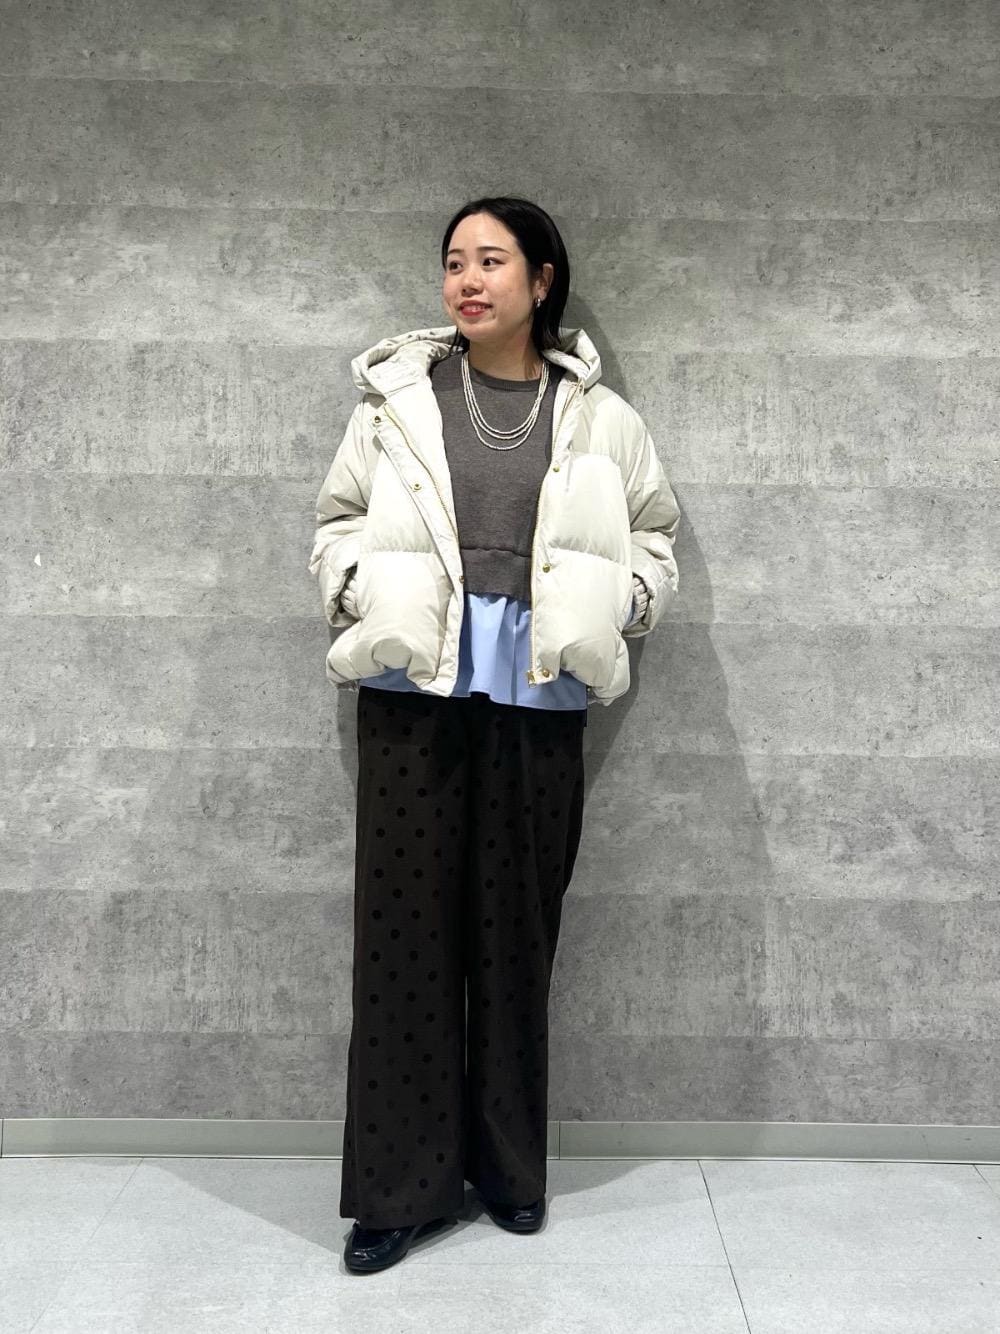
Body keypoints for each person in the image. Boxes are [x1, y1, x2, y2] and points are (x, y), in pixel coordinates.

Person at [307, 196, 681, 1273]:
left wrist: (621, 607)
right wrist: (356, 591)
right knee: (404, 944)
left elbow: (654, 537)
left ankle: (510, 1171)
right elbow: (336, 520)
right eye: (454, 263)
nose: (467, 281)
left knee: (515, 941)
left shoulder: (601, 418)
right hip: (410, 688)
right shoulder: (395, 401)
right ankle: (398, 1190)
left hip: (540, 698)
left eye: (491, 261)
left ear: (542, 279)